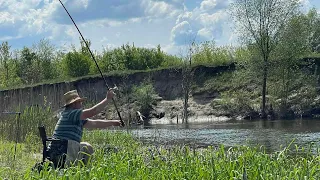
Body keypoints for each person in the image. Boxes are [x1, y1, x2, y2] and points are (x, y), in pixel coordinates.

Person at [48, 88, 122, 167]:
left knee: (87, 146)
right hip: (61, 150)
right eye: (80, 102)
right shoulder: (71, 113)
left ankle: (84, 169)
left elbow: (94, 123)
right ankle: (85, 169)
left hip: (63, 148)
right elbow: (92, 112)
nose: (81, 104)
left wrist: (113, 123)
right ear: (74, 104)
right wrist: (107, 99)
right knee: (86, 147)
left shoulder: (75, 116)